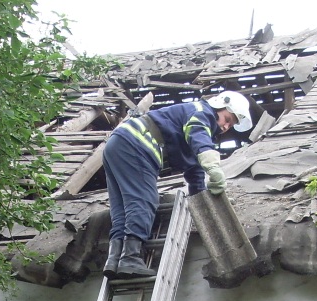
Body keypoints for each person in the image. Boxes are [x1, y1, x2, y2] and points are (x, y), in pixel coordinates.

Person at [101, 90, 253, 279]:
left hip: (118, 143)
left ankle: (114, 259)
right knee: (144, 200)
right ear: (219, 105)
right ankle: (130, 259)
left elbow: (195, 172)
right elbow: (198, 134)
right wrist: (213, 167)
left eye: (231, 125)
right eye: (227, 119)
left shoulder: (194, 126)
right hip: (135, 144)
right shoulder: (201, 112)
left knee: (122, 209)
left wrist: (204, 198)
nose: (226, 126)